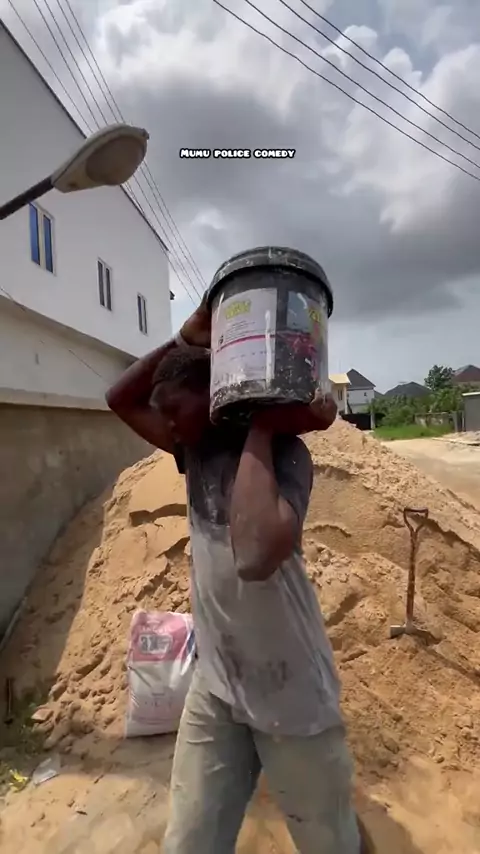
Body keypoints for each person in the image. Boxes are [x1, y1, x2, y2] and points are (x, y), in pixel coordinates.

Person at [106, 295, 369, 854]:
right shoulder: (193, 451)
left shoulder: (287, 456)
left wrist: (264, 426)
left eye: (175, 410)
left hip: (292, 693)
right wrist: (186, 337)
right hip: (218, 685)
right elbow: (118, 398)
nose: (167, 425)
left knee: (330, 844)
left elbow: (254, 554)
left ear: (215, 395)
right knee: (190, 841)